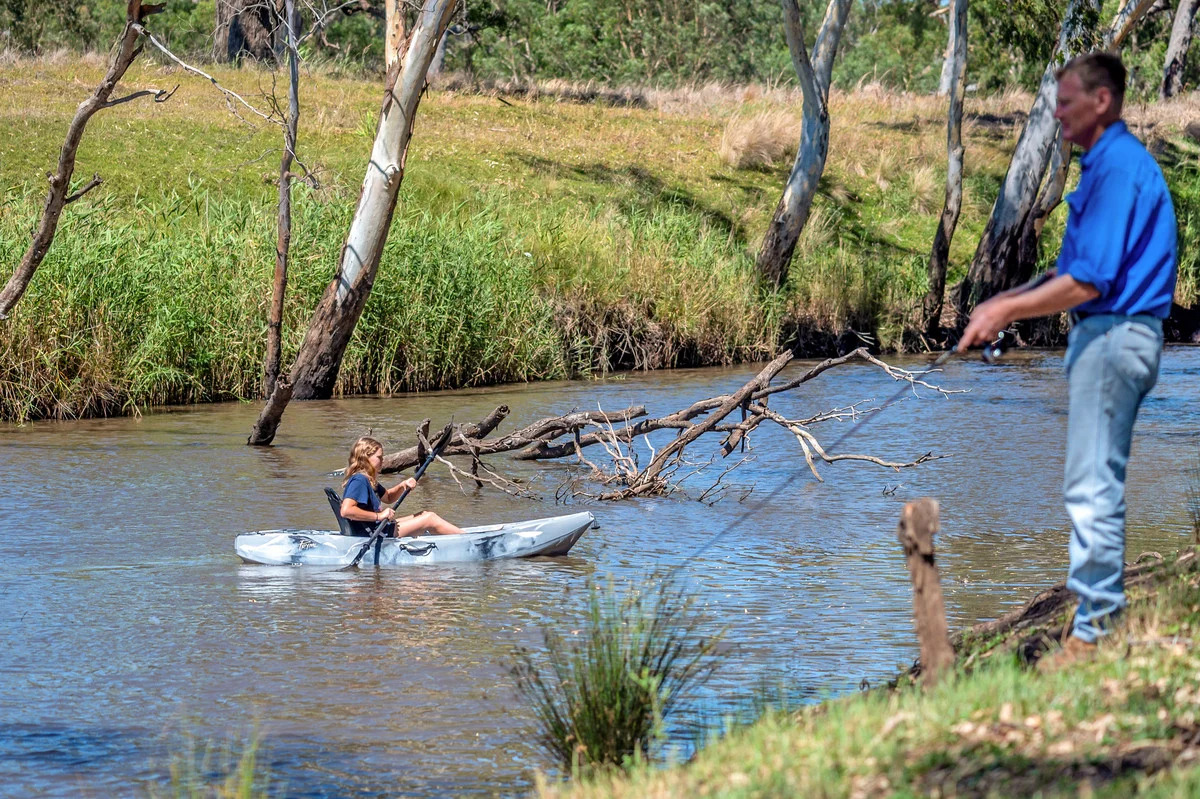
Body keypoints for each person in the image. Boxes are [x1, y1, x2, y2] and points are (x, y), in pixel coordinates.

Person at [958, 52, 1177, 668]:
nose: (1057, 113)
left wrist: (1004, 314)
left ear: (1101, 101)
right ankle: (1097, 620)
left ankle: (1096, 631)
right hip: (1115, 336)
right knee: (1091, 479)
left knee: (1091, 485)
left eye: (1066, 101)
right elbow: (1080, 270)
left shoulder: (1115, 170)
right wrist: (1011, 295)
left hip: (1112, 337)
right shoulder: (1111, 167)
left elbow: (1089, 282)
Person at [340, 436, 467, 538]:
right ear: (365, 458)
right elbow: (346, 511)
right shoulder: (359, 480)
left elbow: (388, 497)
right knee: (430, 519)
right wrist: (379, 516)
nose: (383, 460)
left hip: (378, 528)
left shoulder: (369, 480)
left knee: (425, 514)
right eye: (379, 457)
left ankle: (451, 538)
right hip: (374, 533)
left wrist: (403, 485)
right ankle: (467, 540)